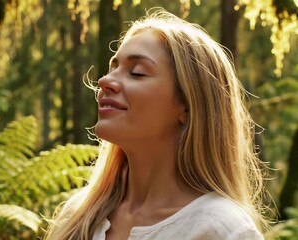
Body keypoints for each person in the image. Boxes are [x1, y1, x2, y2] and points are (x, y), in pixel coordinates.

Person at [44, 8, 268, 240]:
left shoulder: (223, 230)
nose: (104, 81)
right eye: (113, 68)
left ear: (188, 106)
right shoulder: (78, 217)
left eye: (137, 73)